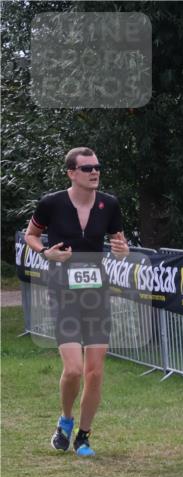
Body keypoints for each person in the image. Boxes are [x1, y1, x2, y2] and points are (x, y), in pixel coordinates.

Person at [23, 147, 130, 457]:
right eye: (87, 168)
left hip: (96, 293)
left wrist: (121, 250)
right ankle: (65, 421)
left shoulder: (109, 204)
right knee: (73, 370)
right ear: (71, 173)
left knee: (94, 372)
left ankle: (84, 435)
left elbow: (118, 241)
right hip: (63, 291)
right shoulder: (51, 203)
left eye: (97, 166)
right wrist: (45, 252)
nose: (94, 172)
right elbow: (31, 235)